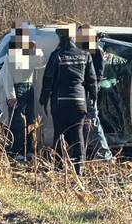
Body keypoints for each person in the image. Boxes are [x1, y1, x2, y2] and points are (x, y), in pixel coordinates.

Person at [39, 24, 98, 175]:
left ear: (60, 37)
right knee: (78, 134)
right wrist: (93, 98)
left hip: (60, 101)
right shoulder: (85, 55)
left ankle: (59, 167)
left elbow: (48, 79)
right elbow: (92, 80)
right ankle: (79, 168)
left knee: (60, 133)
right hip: (79, 100)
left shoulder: (57, 55)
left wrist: (43, 100)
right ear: (73, 37)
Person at [0, 22, 45, 161]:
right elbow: (7, 76)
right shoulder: (11, 55)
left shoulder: (31, 54)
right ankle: (18, 151)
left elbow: (41, 63)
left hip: (29, 89)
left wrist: (35, 48)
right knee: (18, 123)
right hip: (17, 89)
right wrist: (11, 96)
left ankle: (30, 150)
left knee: (30, 120)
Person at [77, 25, 113, 161]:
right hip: (86, 90)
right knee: (88, 121)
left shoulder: (94, 50)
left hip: (88, 91)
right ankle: (93, 152)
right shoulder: (88, 48)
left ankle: (105, 154)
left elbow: (96, 74)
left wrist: (91, 89)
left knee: (92, 120)